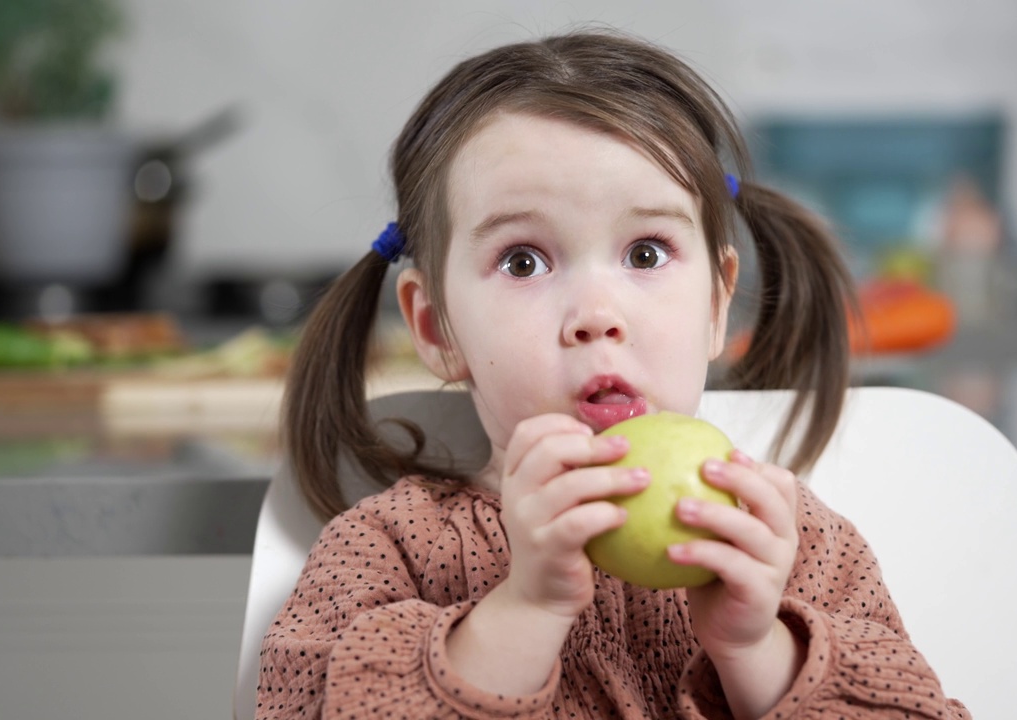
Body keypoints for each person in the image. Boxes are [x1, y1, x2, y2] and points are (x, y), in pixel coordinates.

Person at [259, 29, 970, 719]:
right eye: (523, 261)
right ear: (436, 327)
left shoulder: (794, 549)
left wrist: (762, 650)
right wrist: (523, 611)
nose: (597, 315)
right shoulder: (389, 553)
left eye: (646, 253)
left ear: (718, 302)